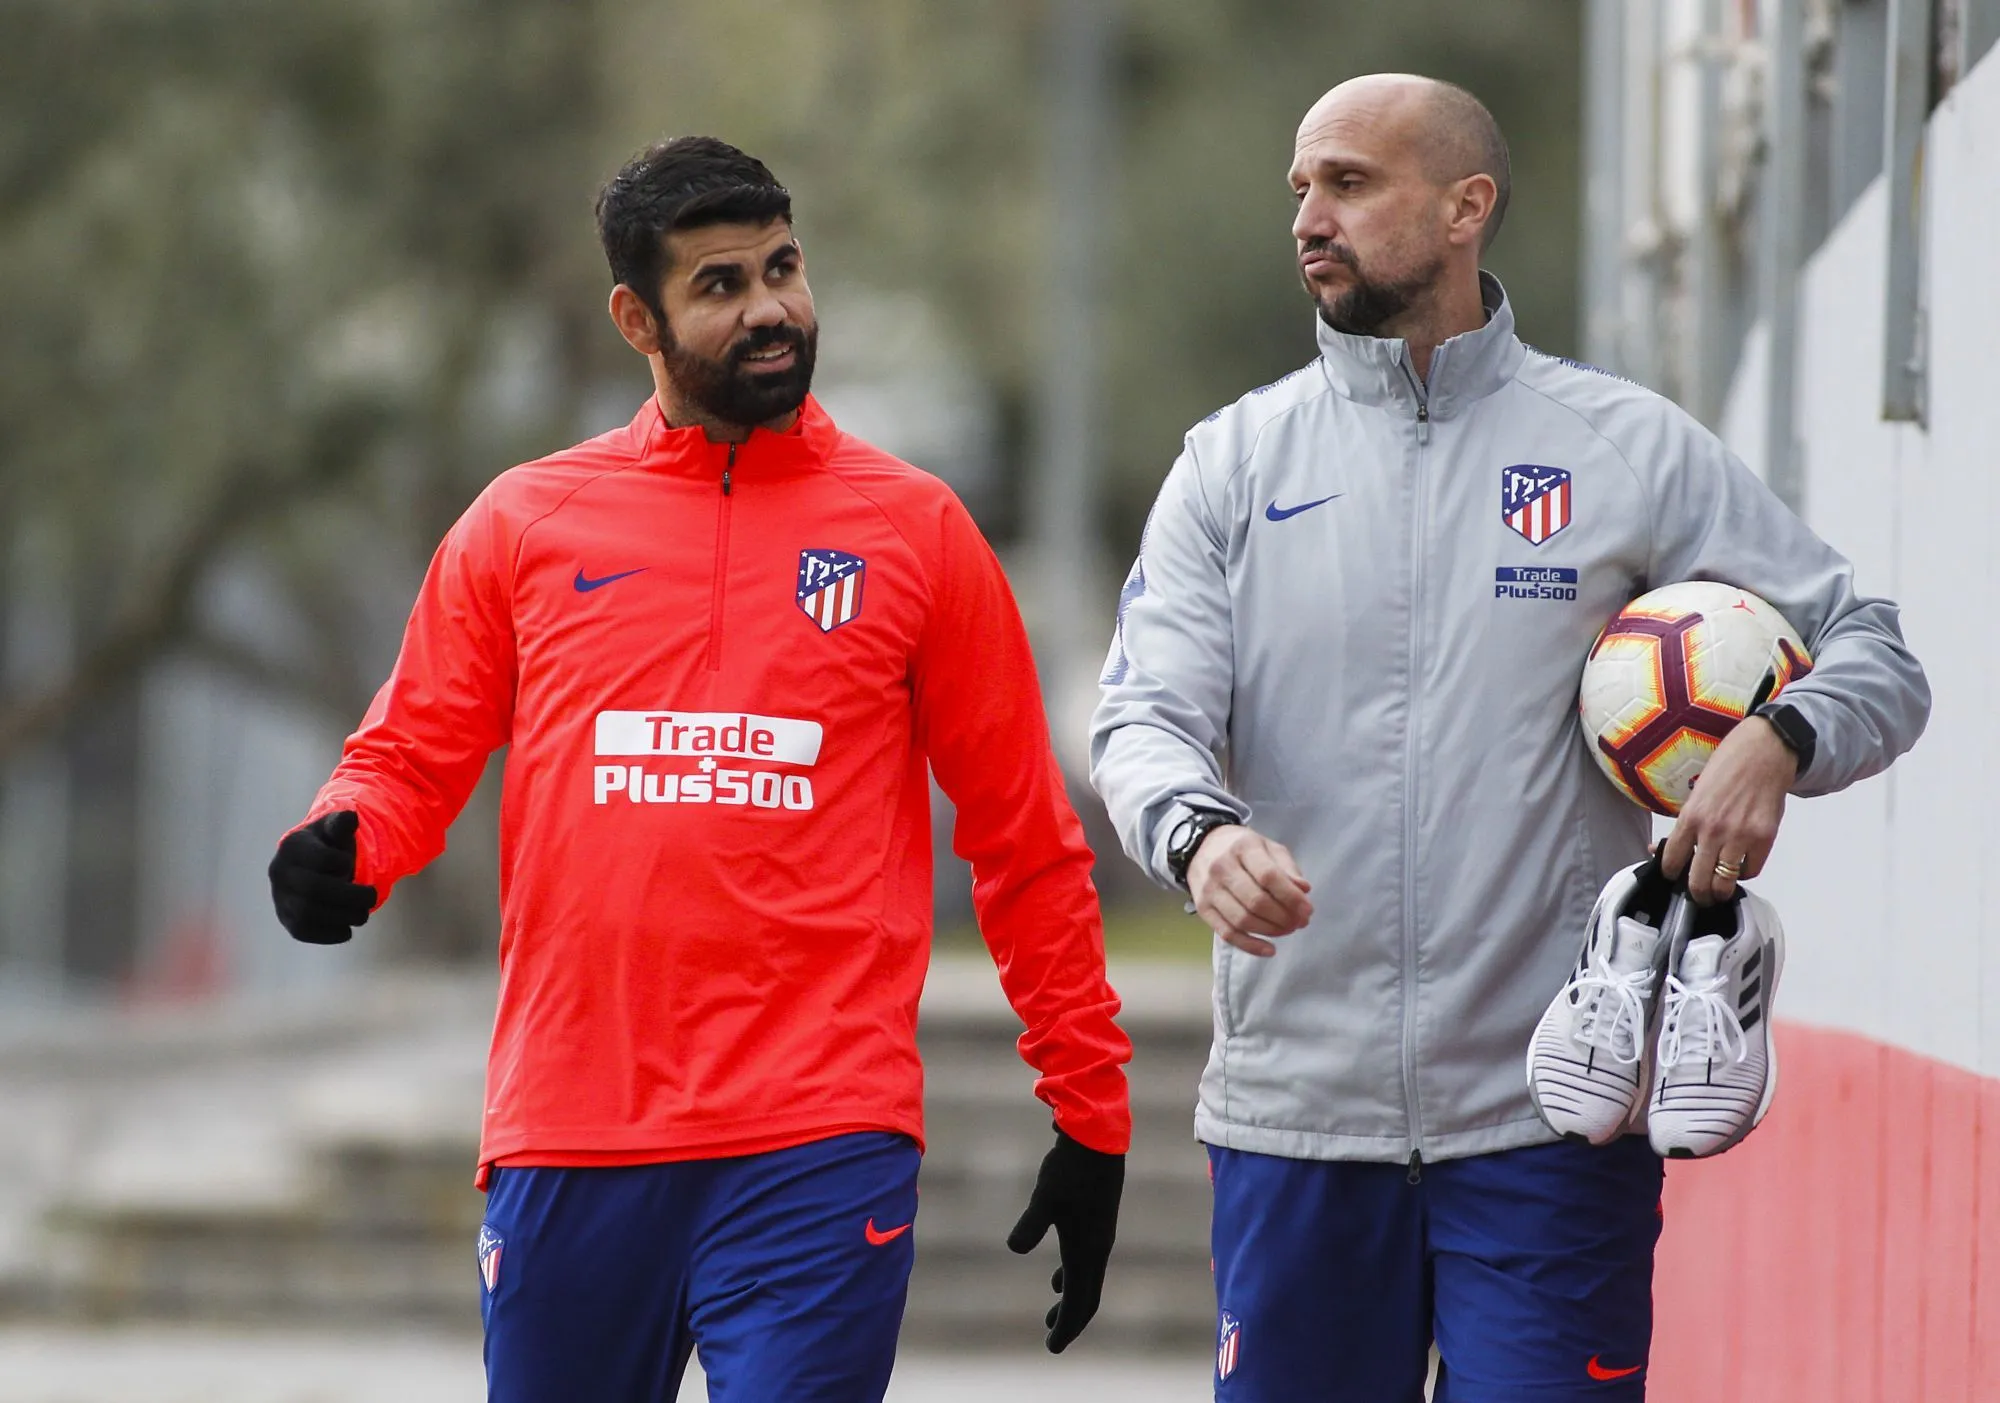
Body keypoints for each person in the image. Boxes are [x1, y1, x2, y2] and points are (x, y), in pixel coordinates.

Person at [1091, 75, 1928, 1401]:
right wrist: (1199, 836)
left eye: (1351, 182)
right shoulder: (1233, 464)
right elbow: (1141, 716)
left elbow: (1878, 649)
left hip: (1556, 1118)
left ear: (1466, 206)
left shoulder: (1625, 446)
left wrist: (1781, 734)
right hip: (1297, 1117)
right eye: (1300, 187)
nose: (1310, 213)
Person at [267, 136, 1131, 1403]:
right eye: (720, 285)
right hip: (571, 1132)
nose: (771, 308)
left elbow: (1022, 840)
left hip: (819, 1138)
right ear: (637, 317)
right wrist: (344, 841)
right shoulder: (524, 521)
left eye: (783, 267)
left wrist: (1089, 1112)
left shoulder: (916, 531)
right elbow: (408, 754)